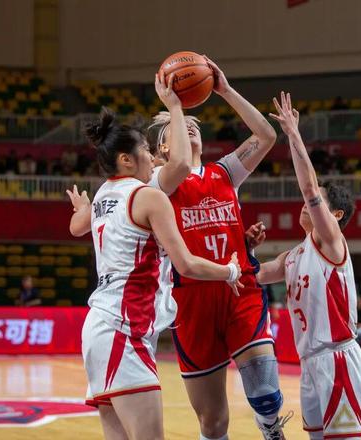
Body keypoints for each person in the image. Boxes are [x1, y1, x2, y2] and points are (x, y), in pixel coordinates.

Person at [65, 74, 243, 440]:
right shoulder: (148, 195)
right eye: (146, 150)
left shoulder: (103, 194)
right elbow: (186, 263)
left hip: (102, 325)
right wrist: (229, 271)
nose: (152, 156)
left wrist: (82, 209)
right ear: (126, 160)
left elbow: (76, 227)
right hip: (123, 327)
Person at [147, 56, 292, 440]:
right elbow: (180, 163)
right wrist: (174, 107)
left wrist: (224, 90)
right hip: (192, 298)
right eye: (180, 127)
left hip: (239, 288)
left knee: (265, 393)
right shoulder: (159, 181)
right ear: (163, 149)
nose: (190, 127)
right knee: (213, 422)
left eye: (194, 125)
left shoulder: (224, 171)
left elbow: (266, 136)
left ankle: (269, 427)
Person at [256, 92, 361, 439]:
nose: (306, 203)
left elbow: (309, 186)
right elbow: (255, 275)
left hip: (338, 359)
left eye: (318, 202)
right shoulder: (293, 256)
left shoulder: (331, 241)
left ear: (335, 215)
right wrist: (240, 252)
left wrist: (293, 134)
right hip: (309, 363)